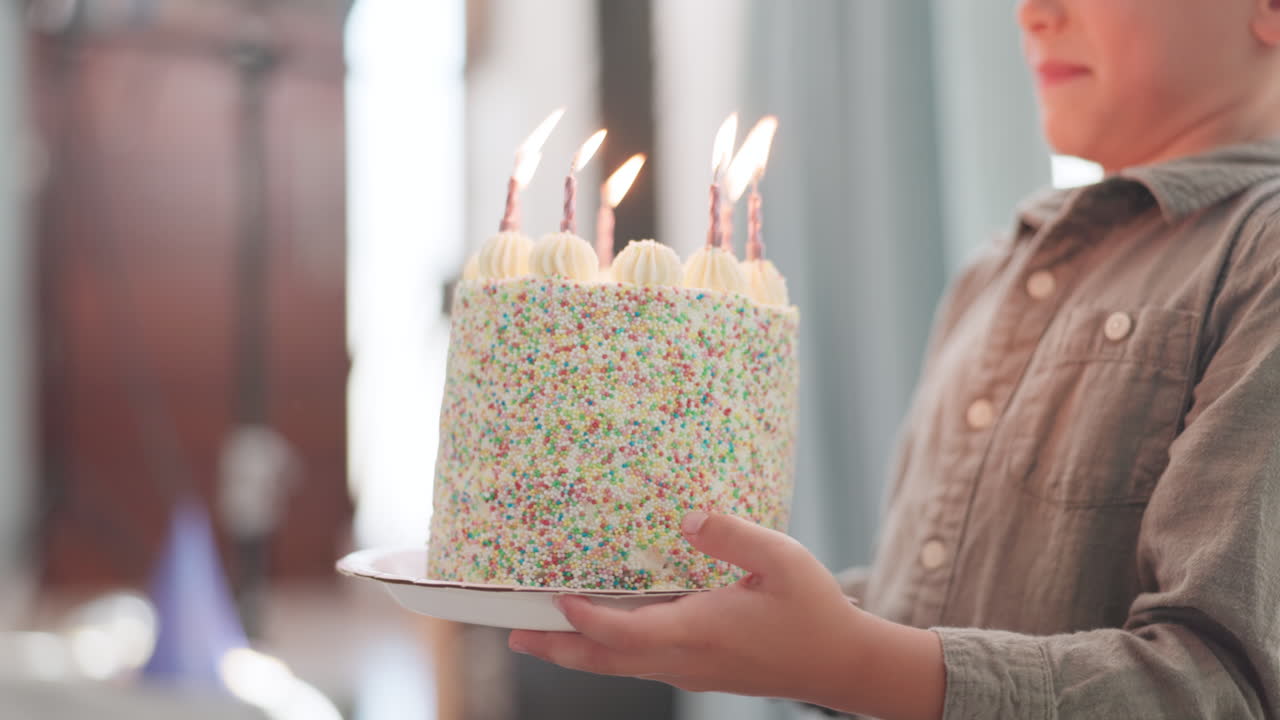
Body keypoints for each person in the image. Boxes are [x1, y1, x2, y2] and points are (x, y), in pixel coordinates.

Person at [506, 0, 1280, 717]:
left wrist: (844, 661)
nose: (1035, 13)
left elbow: (1224, 687)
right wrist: (779, 624)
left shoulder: (1260, 258)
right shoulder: (996, 271)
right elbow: (924, 608)